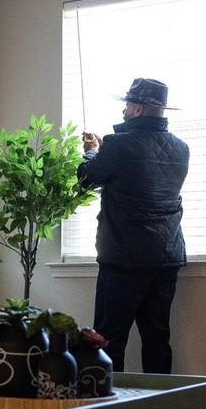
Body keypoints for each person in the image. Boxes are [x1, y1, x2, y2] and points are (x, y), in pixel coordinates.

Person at [78, 78, 189, 373]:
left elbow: (87, 177)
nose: (124, 111)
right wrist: (105, 152)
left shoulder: (117, 145)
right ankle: (161, 408)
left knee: (107, 340)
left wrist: (91, 151)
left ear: (138, 109)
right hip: (166, 257)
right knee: (157, 339)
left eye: (127, 105)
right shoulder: (182, 149)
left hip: (123, 260)